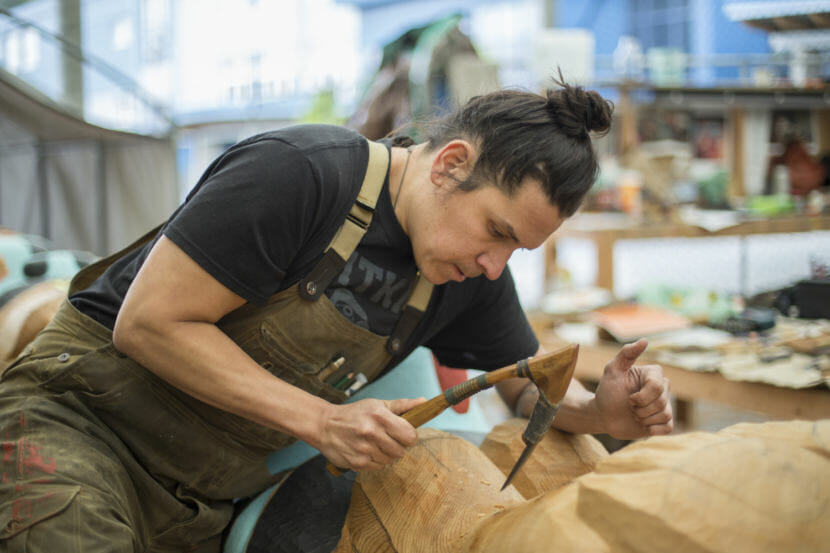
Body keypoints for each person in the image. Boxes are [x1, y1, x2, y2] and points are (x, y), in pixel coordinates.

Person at [0, 79, 672, 552]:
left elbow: (522, 382)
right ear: (450, 164)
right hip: (76, 429)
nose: (496, 264)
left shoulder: (468, 274)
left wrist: (599, 413)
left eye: (516, 249)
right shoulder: (301, 175)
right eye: (494, 230)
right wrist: (321, 419)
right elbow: (147, 322)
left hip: (195, 497)